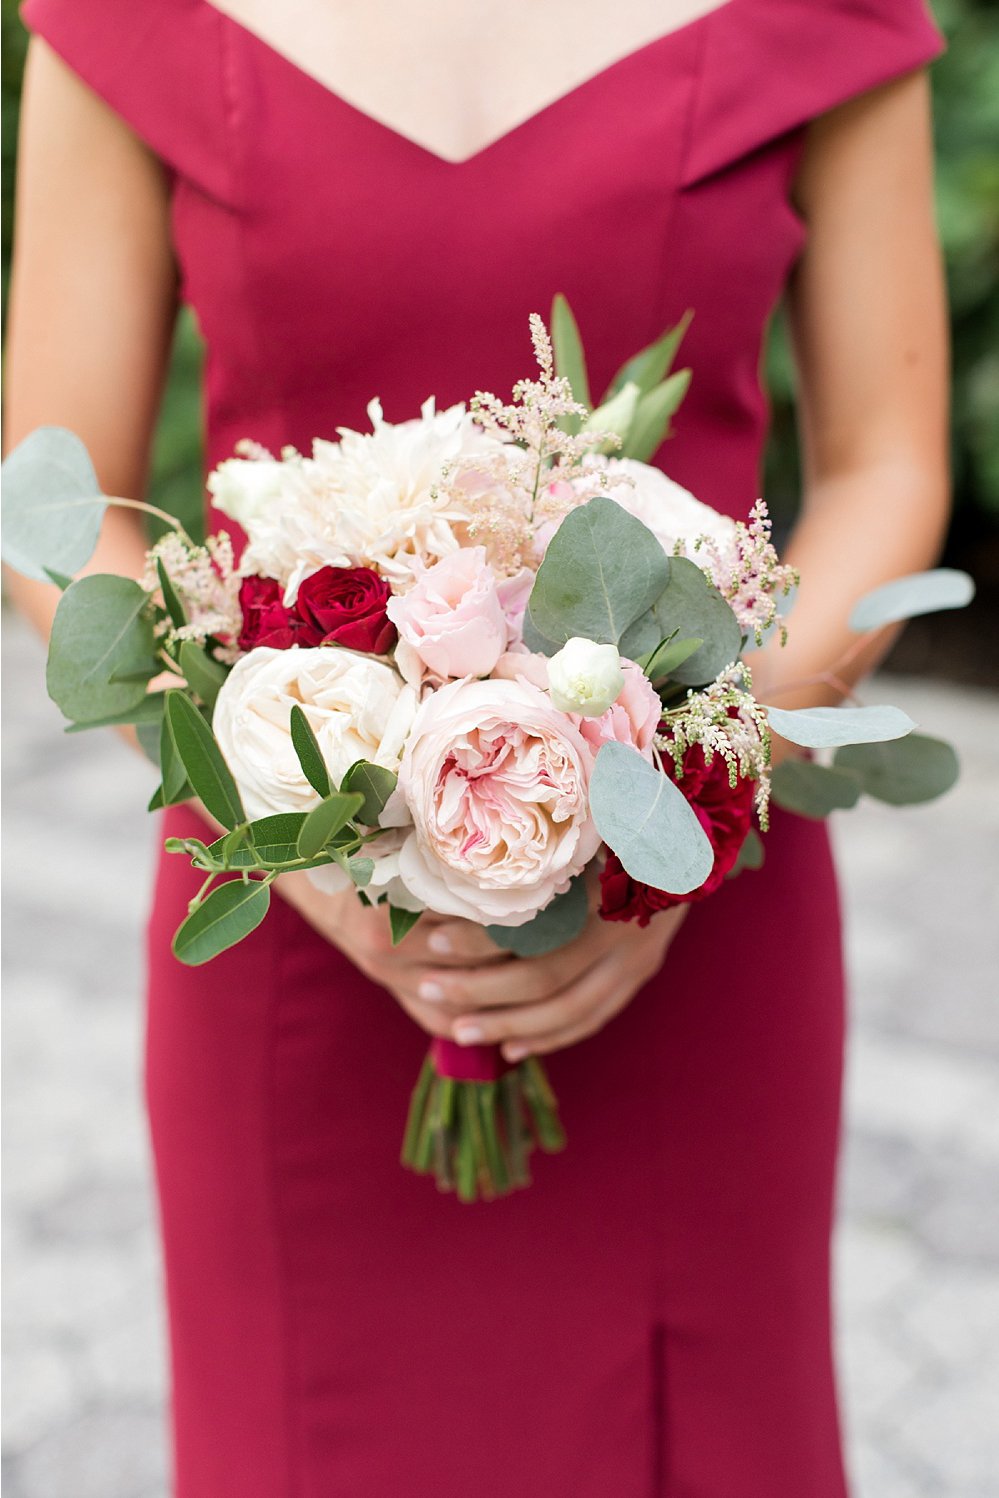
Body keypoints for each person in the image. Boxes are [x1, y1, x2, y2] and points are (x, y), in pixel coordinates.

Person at [5, 1, 950, 1493]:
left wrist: (667, 816)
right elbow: (55, 485)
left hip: (699, 932)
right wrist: (315, 842)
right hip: (290, 930)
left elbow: (886, 461)